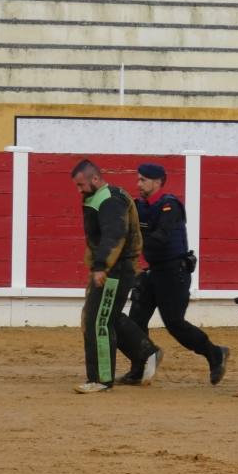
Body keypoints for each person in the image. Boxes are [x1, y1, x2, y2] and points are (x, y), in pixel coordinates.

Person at [118, 162, 231, 386]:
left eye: (143, 179)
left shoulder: (170, 206)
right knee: (135, 321)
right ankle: (139, 368)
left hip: (173, 272)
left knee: (174, 323)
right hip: (153, 272)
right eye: (138, 179)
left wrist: (134, 245)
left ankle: (215, 353)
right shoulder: (139, 206)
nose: (138, 183)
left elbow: (162, 237)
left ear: (157, 181)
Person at [71, 159, 161, 394]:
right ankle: (146, 352)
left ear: (95, 179)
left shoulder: (109, 200)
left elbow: (114, 235)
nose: (79, 190)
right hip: (112, 269)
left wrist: (101, 266)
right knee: (102, 317)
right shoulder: (103, 197)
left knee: (98, 320)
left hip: (115, 270)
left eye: (81, 185)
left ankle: (101, 379)